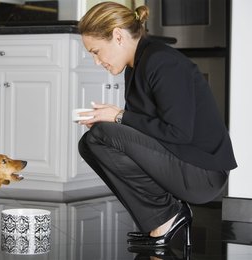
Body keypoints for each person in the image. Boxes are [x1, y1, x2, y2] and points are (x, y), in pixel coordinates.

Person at [77, 2, 237, 247]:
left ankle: (168, 217)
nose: (96, 61)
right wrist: (115, 126)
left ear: (117, 36)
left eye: (96, 51)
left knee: (100, 135)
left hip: (203, 174)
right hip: (182, 163)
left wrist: (118, 118)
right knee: (90, 143)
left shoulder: (162, 61)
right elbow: (148, 129)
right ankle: (163, 218)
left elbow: (178, 132)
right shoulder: (136, 66)